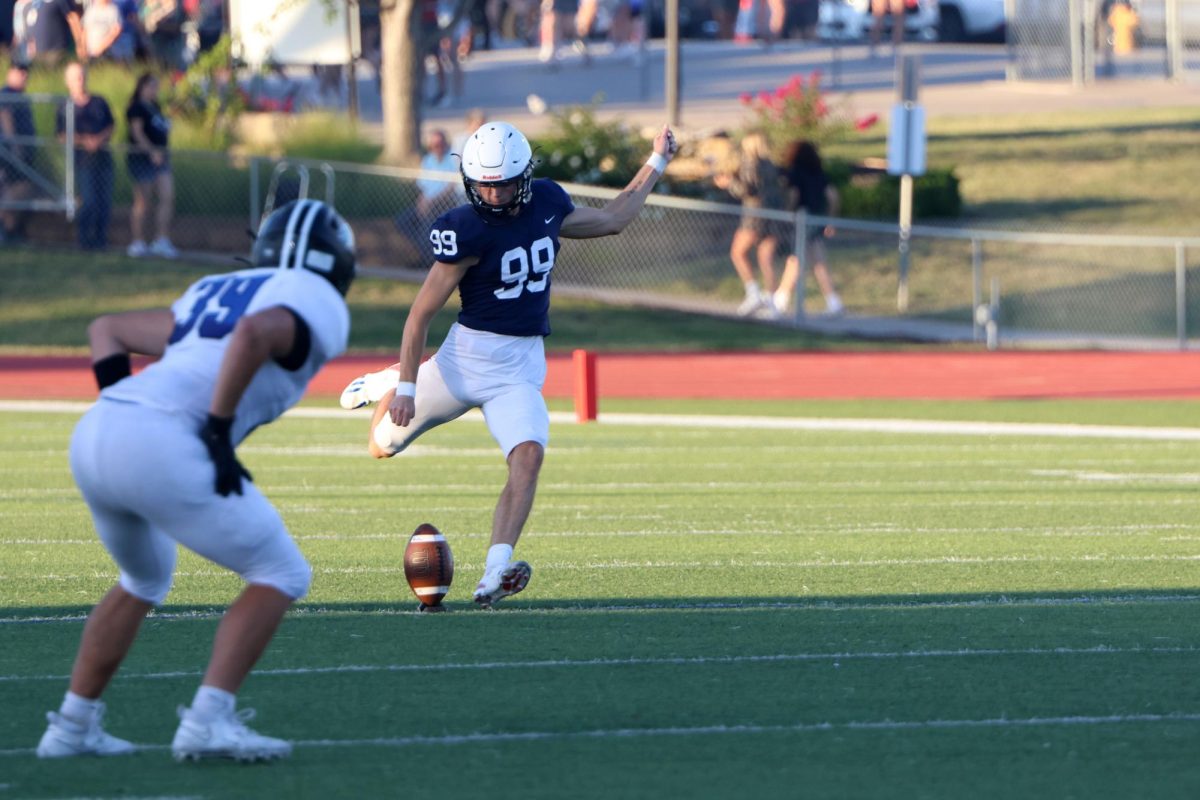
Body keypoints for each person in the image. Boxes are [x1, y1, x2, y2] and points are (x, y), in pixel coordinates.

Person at [35, 199, 357, 762]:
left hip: (99, 431)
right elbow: (256, 332)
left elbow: (105, 329)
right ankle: (209, 720)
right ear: (335, 262)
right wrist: (218, 427)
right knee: (281, 572)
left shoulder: (218, 287)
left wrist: (121, 405)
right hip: (164, 439)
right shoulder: (318, 299)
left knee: (144, 580)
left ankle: (69, 729)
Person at [339, 120, 677, 608]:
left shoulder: (546, 201)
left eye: (502, 184)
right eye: (484, 185)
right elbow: (419, 316)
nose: (493, 195)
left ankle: (496, 570)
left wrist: (657, 160)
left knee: (529, 455)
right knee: (382, 445)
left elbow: (613, 218)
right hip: (463, 359)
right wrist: (407, 388)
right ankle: (389, 379)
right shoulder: (466, 229)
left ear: (525, 175)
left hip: (518, 367)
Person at [714, 132, 787, 319]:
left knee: (738, 252)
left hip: (754, 216)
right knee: (766, 259)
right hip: (773, 215)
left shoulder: (750, 163)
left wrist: (729, 183)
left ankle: (753, 293)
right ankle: (772, 303)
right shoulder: (770, 165)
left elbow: (748, 190)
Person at [774, 139, 842, 316]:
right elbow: (833, 196)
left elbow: (794, 195)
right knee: (818, 262)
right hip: (818, 218)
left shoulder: (794, 174)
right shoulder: (819, 173)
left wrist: (788, 213)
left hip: (802, 219)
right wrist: (830, 219)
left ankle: (780, 302)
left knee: (795, 260)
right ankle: (833, 302)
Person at [56, 62, 114, 250]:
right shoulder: (64, 106)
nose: (80, 81)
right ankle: (83, 239)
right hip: (81, 162)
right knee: (88, 200)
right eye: (76, 78)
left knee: (104, 201)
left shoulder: (99, 102)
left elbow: (110, 124)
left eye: (82, 76)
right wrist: (84, 141)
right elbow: (61, 135)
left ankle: (100, 239)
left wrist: (99, 140)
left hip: (103, 159)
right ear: (68, 81)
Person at [125, 72, 177, 258]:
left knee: (167, 196)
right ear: (142, 87)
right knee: (143, 201)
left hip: (161, 159)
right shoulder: (137, 108)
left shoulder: (155, 106)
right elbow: (137, 133)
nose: (155, 90)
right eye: (152, 86)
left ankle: (161, 239)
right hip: (142, 160)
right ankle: (138, 241)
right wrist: (150, 151)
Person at [393, 128, 461, 258]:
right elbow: (423, 187)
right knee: (402, 221)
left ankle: (427, 256)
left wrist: (432, 202)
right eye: (434, 145)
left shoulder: (452, 158)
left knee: (428, 222)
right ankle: (421, 248)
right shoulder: (428, 160)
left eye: (440, 144)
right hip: (427, 202)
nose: (438, 147)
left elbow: (452, 186)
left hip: (445, 203)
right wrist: (422, 202)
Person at [0, 63, 35, 244]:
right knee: (11, 192)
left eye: (25, 72)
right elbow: (5, 117)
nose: (24, 76)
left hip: (22, 155)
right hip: (10, 156)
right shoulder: (7, 93)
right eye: (19, 72)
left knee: (19, 192)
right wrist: (16, 147)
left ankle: (11, 231)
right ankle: (5, 230)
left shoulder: (21, 96)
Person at [32, 0, 86, 65]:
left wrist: (79, 44)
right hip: (39, 53)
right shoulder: (38, 2)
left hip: (57, 52)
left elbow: (73, 18)